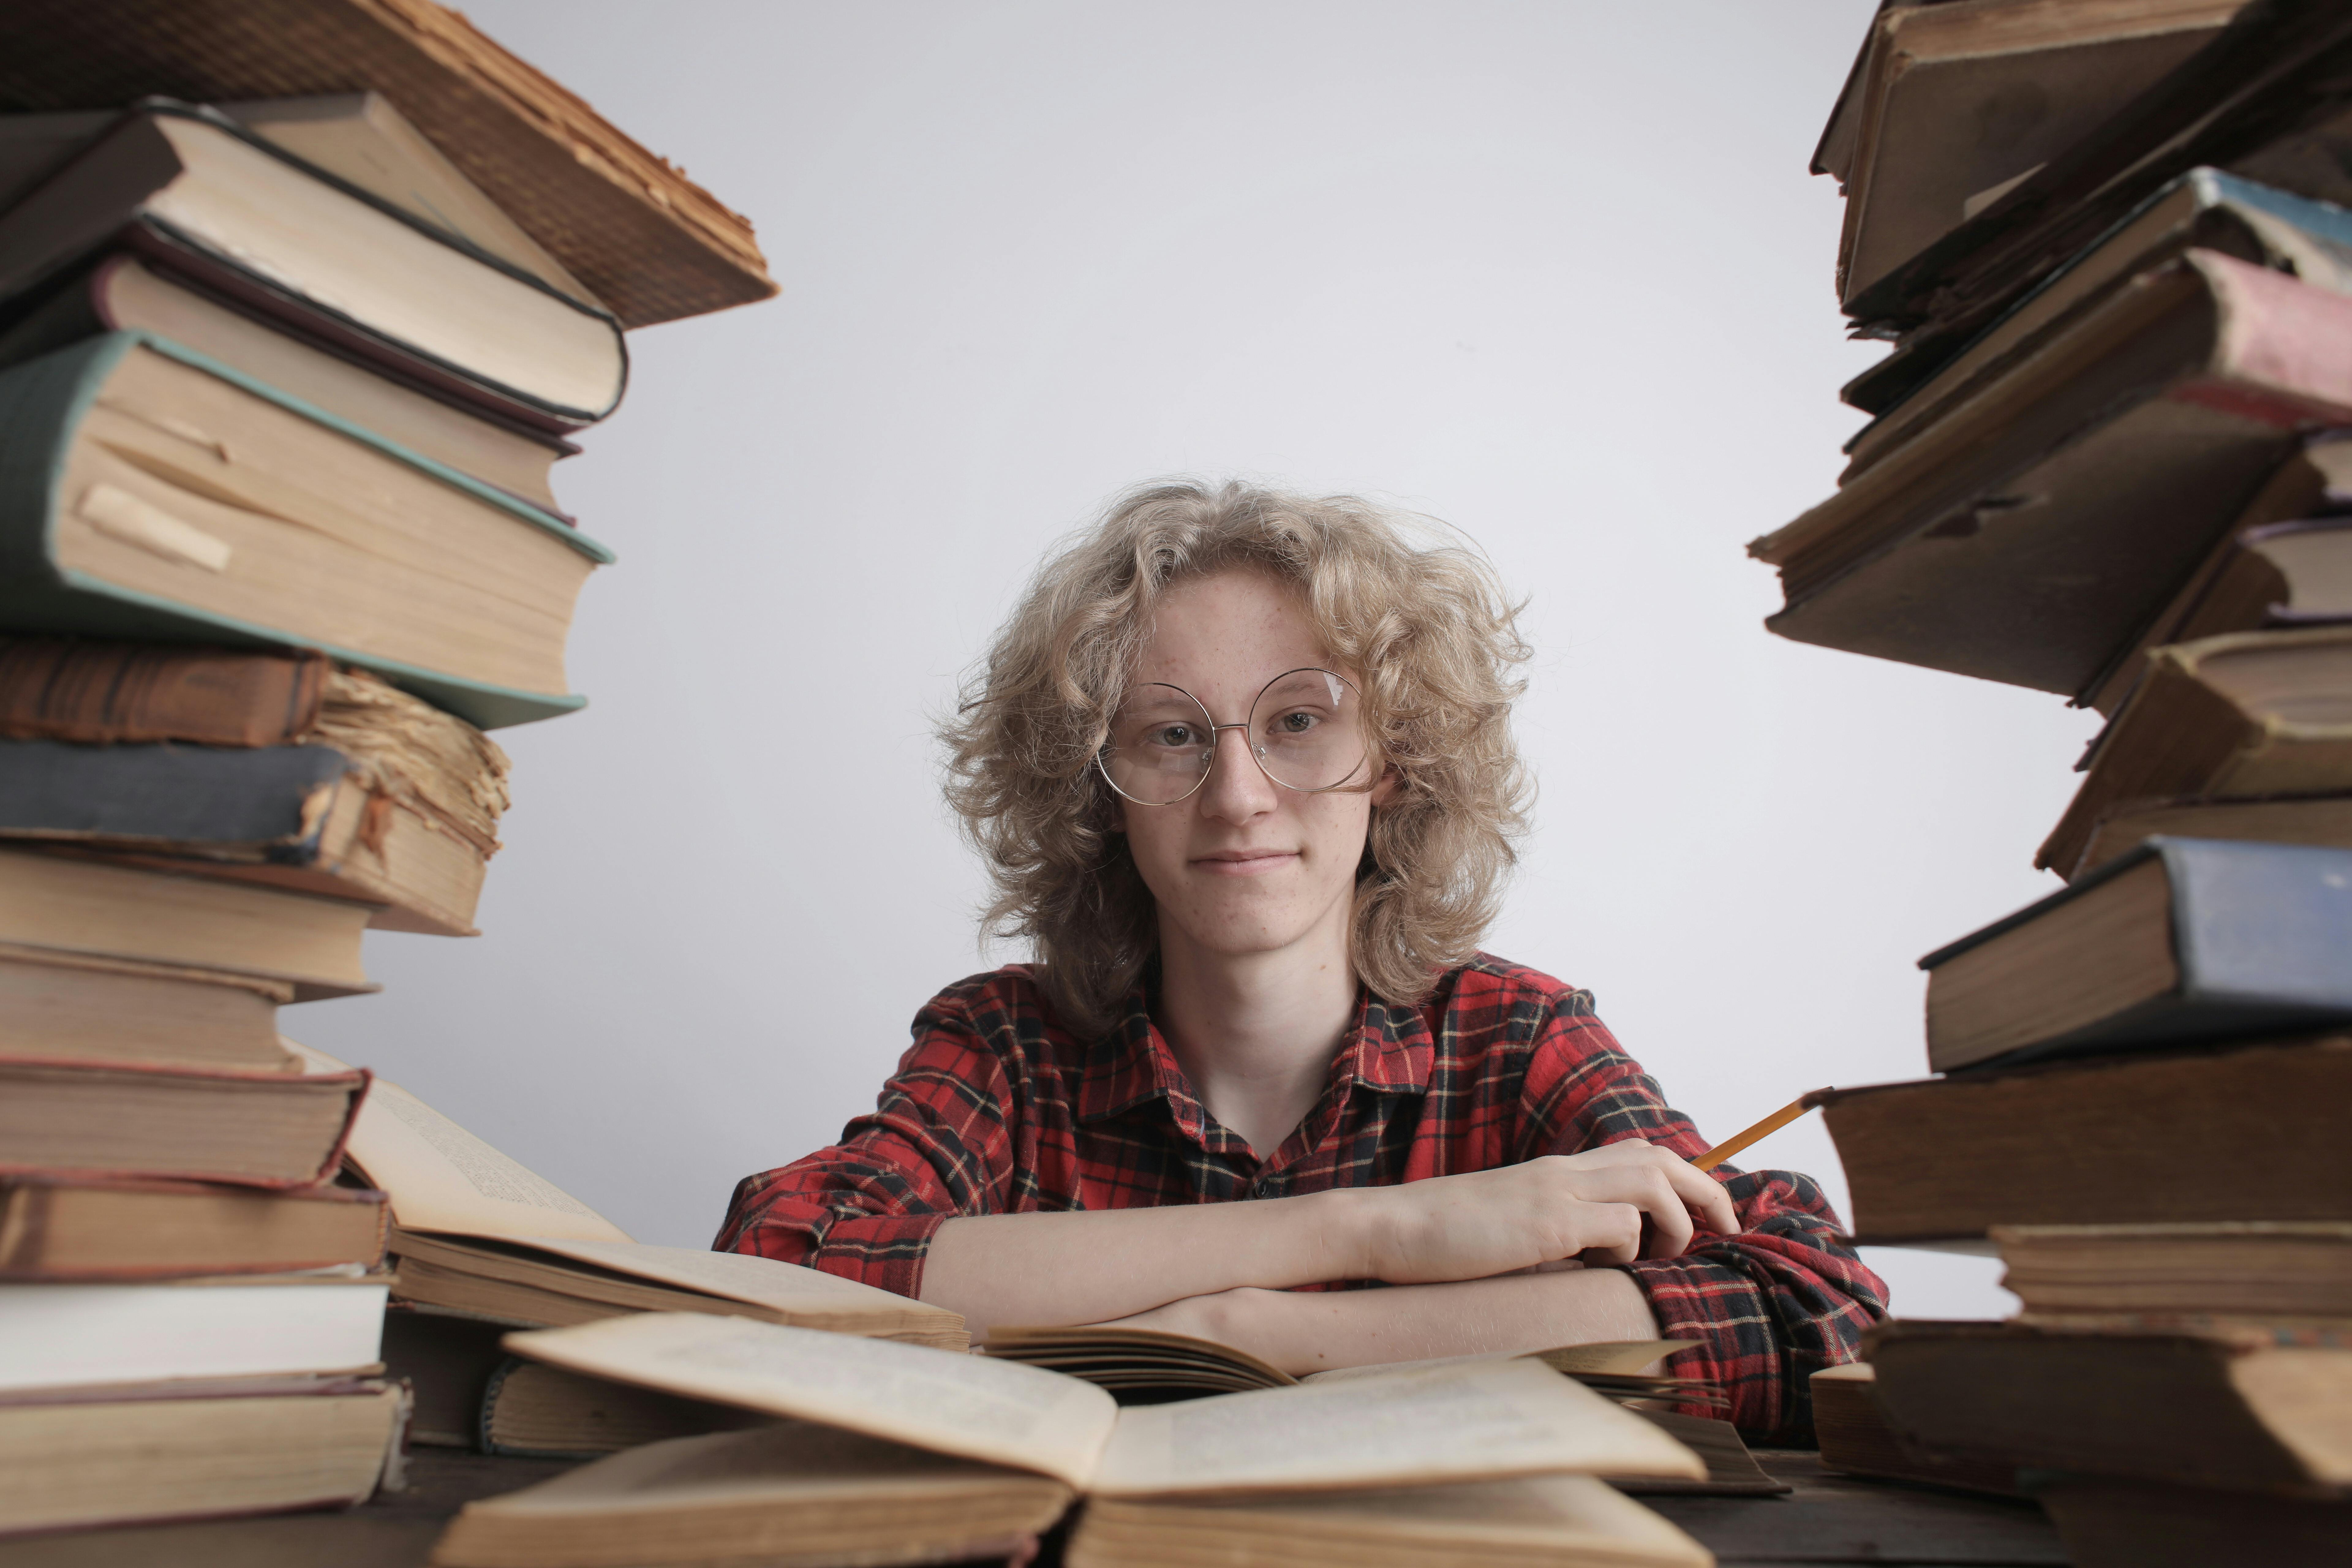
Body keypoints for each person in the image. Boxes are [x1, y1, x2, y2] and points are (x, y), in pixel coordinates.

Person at [717, 480, 1887, 1441]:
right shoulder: (1009, 1046)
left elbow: (1811, 1304)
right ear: (1098, 785)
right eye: (1171, 733)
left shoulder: (1514, 1037)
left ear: (1395, 759)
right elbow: (790, 1261)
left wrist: (1255, 1336)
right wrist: (1378, 1234)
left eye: (1299, 721)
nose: (1236, 796)